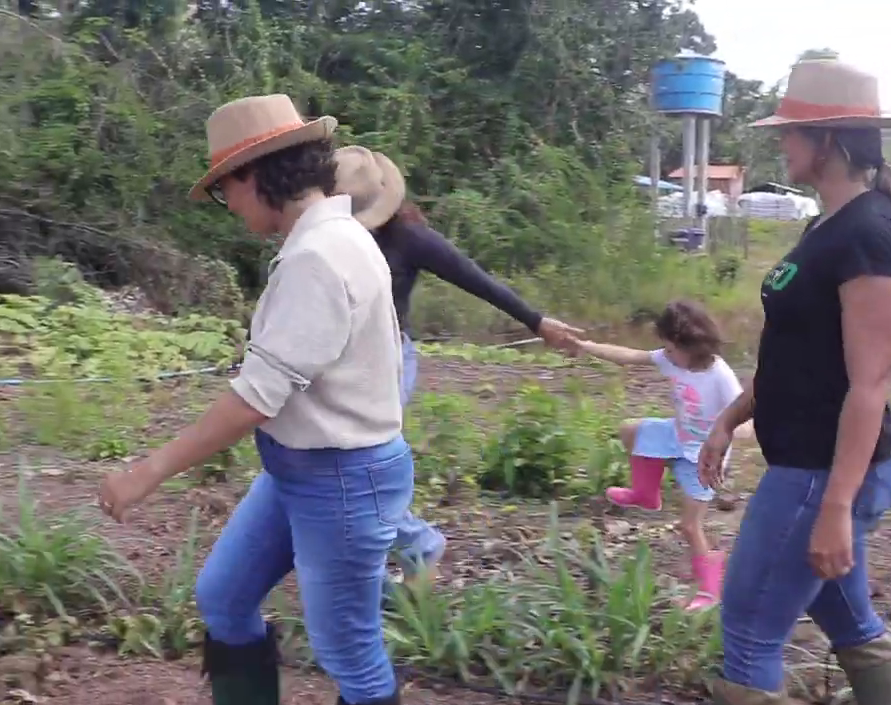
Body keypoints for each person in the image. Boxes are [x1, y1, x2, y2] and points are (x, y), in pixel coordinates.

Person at [97, 95, 411, 705]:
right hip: (299, 469)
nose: (229, 205)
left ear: (257, 174)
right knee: (225, 596)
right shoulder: (332, 238)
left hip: (341, 479)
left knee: (348, 647)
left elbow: (254, 401)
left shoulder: (318, 259)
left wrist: (147, 473)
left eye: (226, 189)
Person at [696, 59, 891, 705]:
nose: (781, 142)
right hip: (809, 466)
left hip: (821, 474)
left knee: (748, 627)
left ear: (827, 141)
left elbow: (869, 384)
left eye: (790, 133)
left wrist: (834, 510)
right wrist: (730, 418)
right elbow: (798, 354)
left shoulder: (871, 235)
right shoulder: (828, 225)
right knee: (850, 620)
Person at [331, 145, 582, 589]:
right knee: (332, 463)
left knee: (361, 459)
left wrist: (538, 322)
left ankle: (413, 544)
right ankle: (377, 561)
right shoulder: (327, 236)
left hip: (388, 358)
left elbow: (474, 278)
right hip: (336, 361)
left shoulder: (409, 237)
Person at [567, 300, 741, 611]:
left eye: (672, 350)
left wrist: (723, 437)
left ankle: (710, 589)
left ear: (696, 346)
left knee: (689, 526)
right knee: (631, 430)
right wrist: (586, 345)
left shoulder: (720, 376)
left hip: (705, 456)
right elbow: (629, 357)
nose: (667, 356)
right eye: (666, 349)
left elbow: (749, 422)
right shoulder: (672, 359)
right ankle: (645, 494)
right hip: (678, 435)